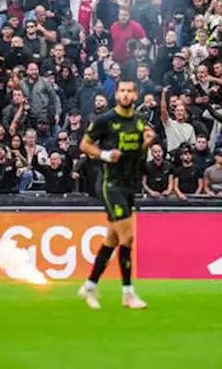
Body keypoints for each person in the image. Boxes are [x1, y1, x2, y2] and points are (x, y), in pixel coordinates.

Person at [76, 80, 150, 311]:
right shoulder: (105, 120)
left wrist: (146, 144)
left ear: (136, 95)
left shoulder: (139, 122)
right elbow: (84, 145)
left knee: (113, 239)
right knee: (127, 238)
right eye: (122, 91)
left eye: (130, 91)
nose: (126, 94)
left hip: (129, 184)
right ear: (116, 94)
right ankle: (127, 293)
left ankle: (89, 285)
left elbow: (136, 154)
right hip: (111, 184)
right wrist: (106, 155)